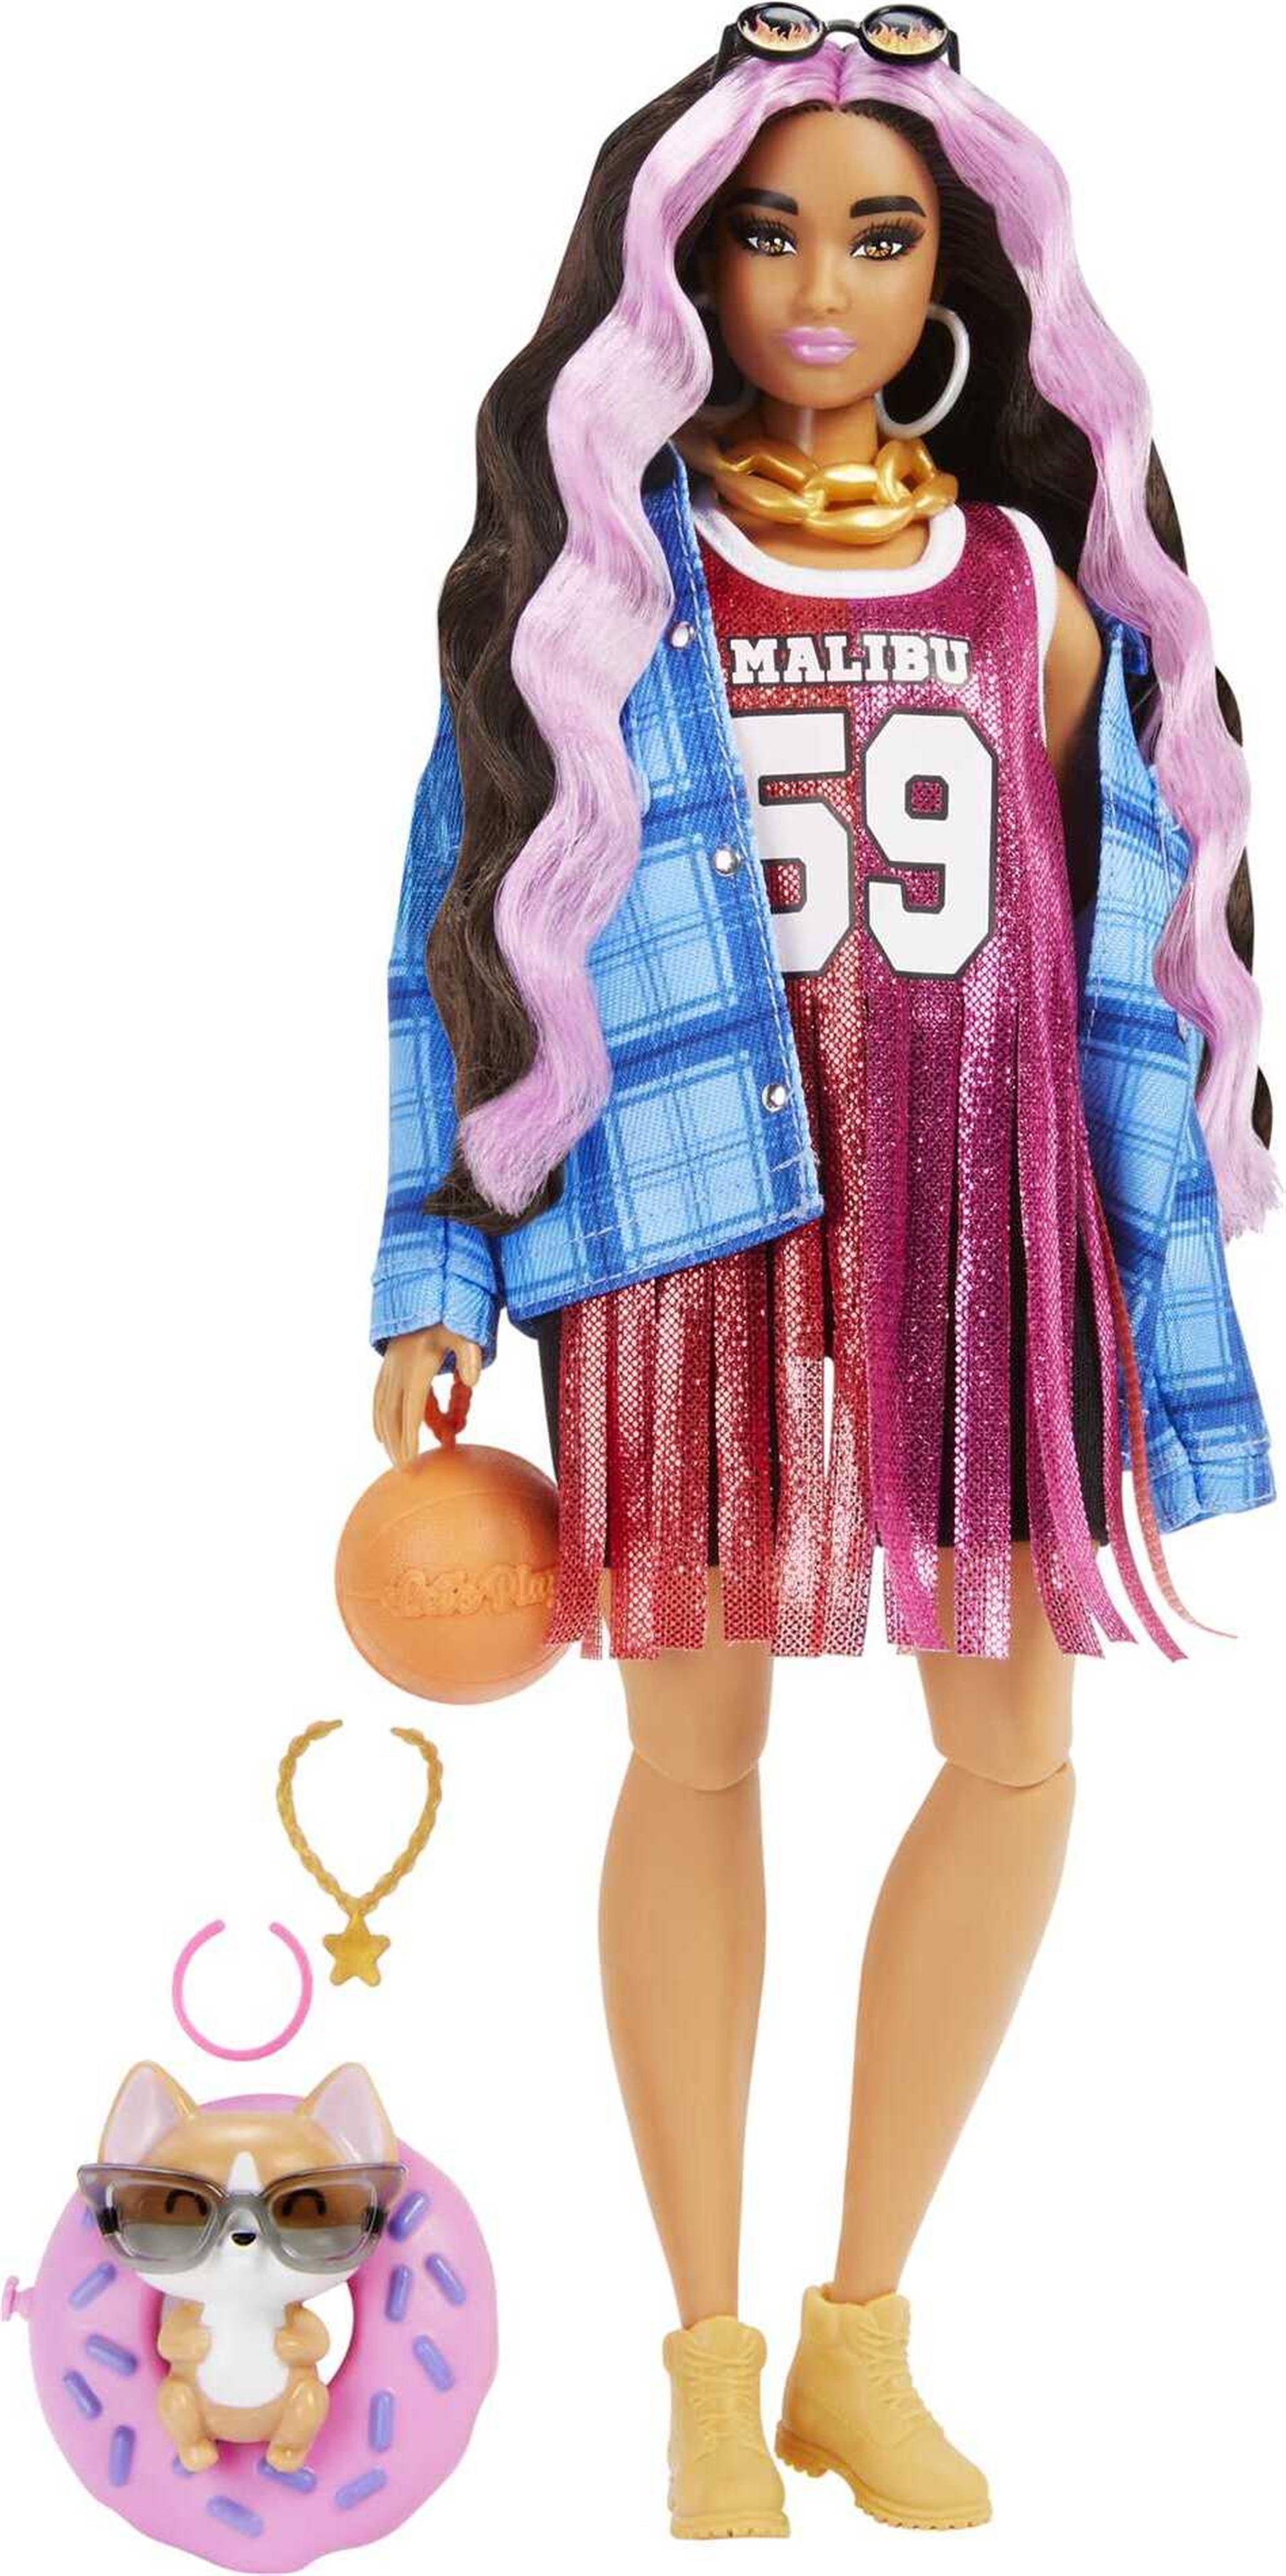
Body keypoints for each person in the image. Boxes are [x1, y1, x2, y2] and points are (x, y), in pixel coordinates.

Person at [371, 9, 1273, 2538]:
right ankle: (702, 2355)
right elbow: (451, 932)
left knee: (1013, 1744)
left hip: (973, 1231)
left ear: (955, 273)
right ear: (676, 266)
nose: (816, 285)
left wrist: (1152, 1239)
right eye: (765, 232)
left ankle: (859, 2328)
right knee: (694, 1750)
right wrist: (436, 1259)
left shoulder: (1025, 580)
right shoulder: (600, 592)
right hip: (689, 1231)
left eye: (878, 236)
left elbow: (1131, 935)